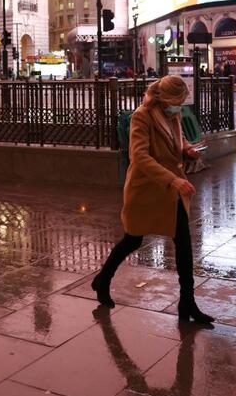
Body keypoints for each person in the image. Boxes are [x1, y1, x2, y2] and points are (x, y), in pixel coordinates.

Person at [91, 75, 214, 324]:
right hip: (147, 189)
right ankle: (103, 279)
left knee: (183, 244)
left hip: (170, 191)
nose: (179, 107)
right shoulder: (142, 116)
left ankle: (187, 303)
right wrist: (173, 180)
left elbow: (176, 141)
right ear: (164, 99)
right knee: (132, 240)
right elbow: (139, 156)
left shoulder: (172, 115)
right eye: (177, 102)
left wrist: (187, 149)